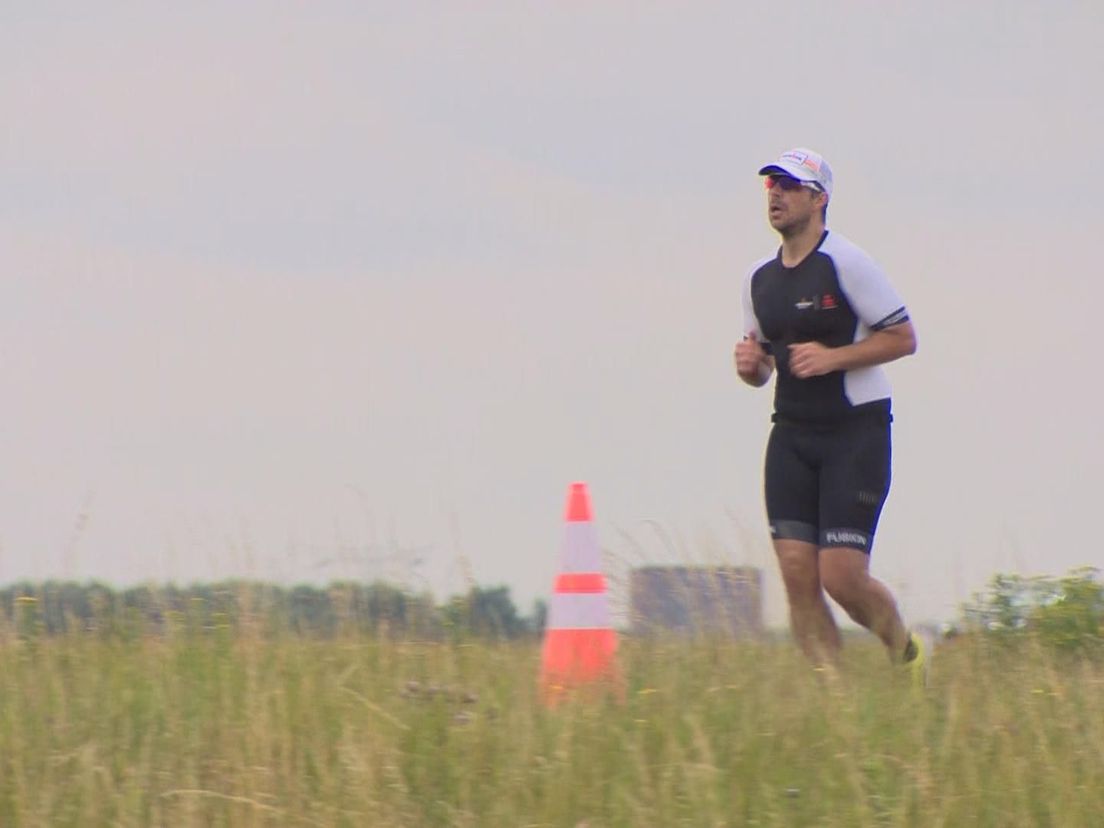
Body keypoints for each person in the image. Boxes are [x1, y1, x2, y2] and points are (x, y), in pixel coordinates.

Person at [733, 147, 925, 679]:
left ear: (818, 199)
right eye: (770, 185)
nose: (775, 195)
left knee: (841, 577)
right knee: (797, 573)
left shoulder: (848, 263)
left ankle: (906, 656)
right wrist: (750, 366)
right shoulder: (758, 280)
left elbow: (904, 338)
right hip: (791, 436)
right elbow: (765, 367)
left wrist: (834, 357)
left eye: (788, 186)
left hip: (855, 434)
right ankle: (835, 704)